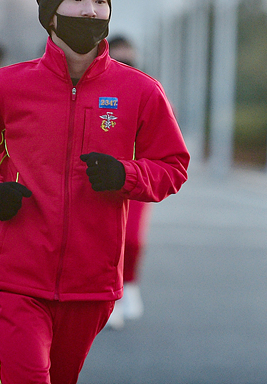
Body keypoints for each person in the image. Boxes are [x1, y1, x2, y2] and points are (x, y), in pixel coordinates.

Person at [0, 0, 190, 384]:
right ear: (50, 14)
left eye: (99, 1)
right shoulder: (8, 86)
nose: (89, 11)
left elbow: (173, 165)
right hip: (15, 274)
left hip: (91, 282)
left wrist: (126, 176)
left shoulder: (139, 90)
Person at [104, 34, 150, 330]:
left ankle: (129, 284)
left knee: (131, 240)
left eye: (128, 52)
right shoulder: (101, 89)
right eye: (119, 52)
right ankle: (112, 300)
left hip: (136, 179)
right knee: (107, 244)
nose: (125, 56)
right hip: (103, 181)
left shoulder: (147, 89)